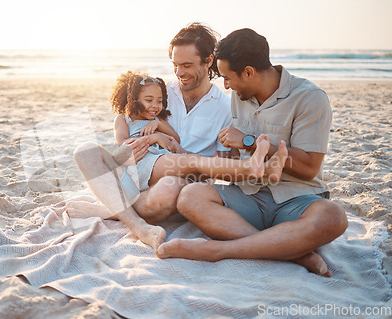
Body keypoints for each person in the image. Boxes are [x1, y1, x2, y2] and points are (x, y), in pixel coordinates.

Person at [156, 28, 348, 277]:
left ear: (248, 72)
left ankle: (217, 250)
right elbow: (237, 162)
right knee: (190, 197)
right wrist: (202, 163)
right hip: (248, 195)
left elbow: (310, 167)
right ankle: (294, 252)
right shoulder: (240, 95)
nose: (225, 85)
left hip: (296, 200)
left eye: (228, 77)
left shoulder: (310, 98)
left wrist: (249, 142)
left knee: (334, 217)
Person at [71, 70, 287, 249]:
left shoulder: (160, 118)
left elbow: (174, 138)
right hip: (140, 163)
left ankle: (254, 168)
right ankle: (252, 169)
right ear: (132, 100)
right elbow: (123, 144)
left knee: (191, 163)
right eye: (148, 100)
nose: (155, 105)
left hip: (157, 161)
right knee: (85, 150)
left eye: (159, 101)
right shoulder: (123, 118)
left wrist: (157, 132)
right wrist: (133, 150)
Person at [68, 23, 237, 247]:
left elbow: (222, 168)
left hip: (175, 187)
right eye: (175, 65)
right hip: (136, 172)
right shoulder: (159, 93)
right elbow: (128, 124)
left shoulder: (225, 107)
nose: (179, 73)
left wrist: (181, 155)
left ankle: (113, 208)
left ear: (208, 61)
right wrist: (130, 148)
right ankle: (134, 222)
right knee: (84, 151)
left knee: (171, 187)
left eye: (186, 65)